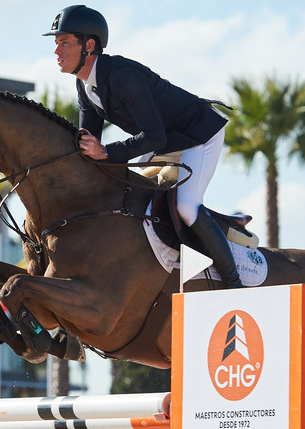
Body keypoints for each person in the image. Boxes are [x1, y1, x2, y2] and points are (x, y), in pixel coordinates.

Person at [45, 5, 242, 288]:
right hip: (165, 141)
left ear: (88, 46)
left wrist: (108, 152)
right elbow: (87, 140)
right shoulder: (85, 85)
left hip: (199, 136)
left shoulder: (124, 76)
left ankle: (233, 284)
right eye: (56, 44)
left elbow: (153, 137)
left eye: (64, 43)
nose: (57, 51)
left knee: (186, 206)